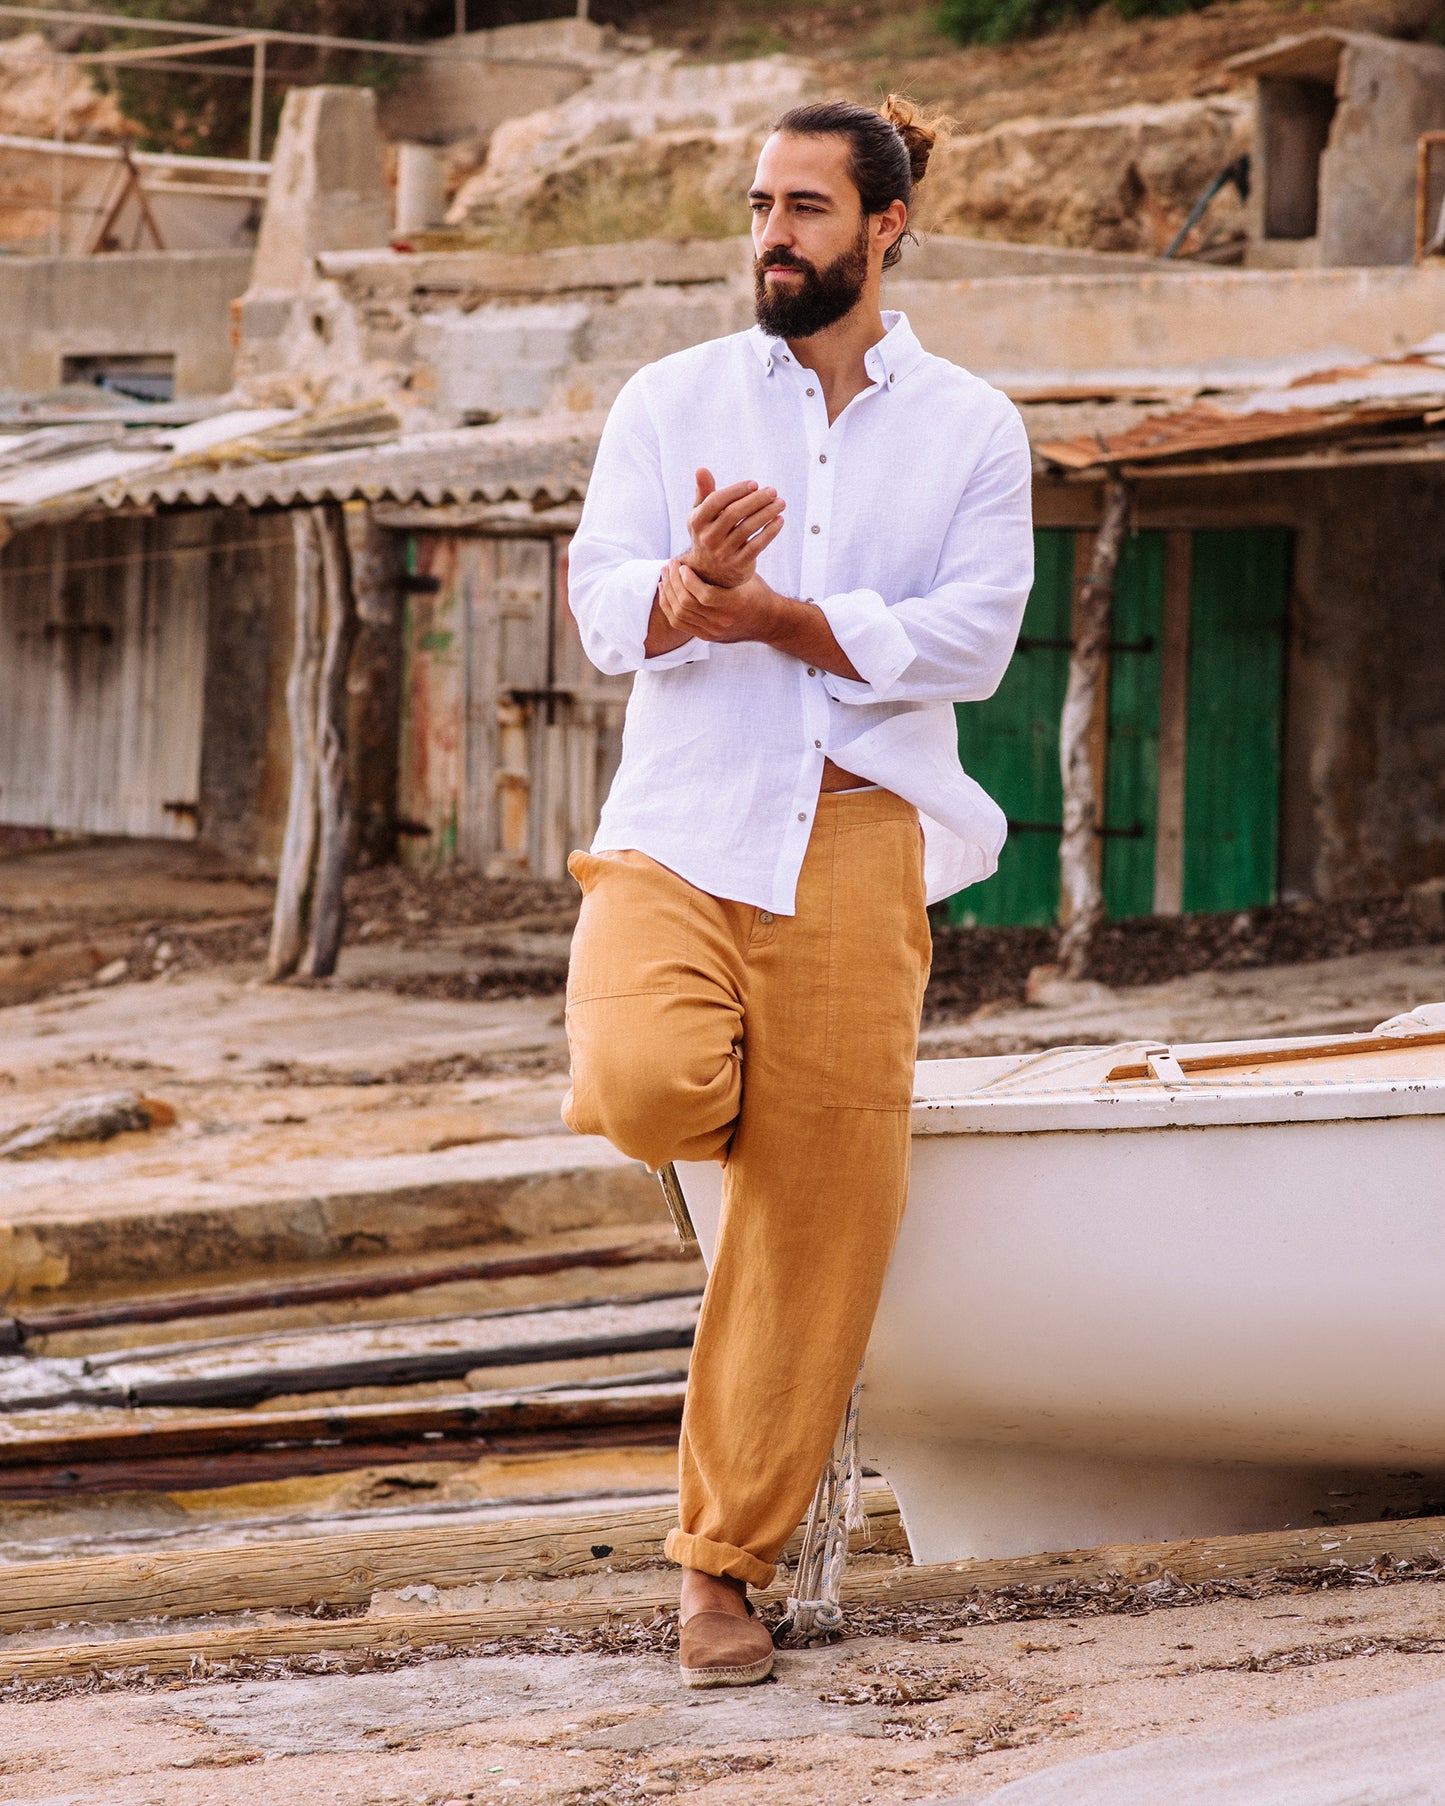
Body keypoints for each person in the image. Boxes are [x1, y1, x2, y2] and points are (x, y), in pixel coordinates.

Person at [562, 95, 1034, 1687]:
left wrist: (786, 614)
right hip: (682, 825)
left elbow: (972, 639)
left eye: (809, 208)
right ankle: (769, 1111)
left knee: (826, 1212)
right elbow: (601, 600)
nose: (773, 232)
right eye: (761, 204)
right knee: (645, 1083)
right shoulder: (668, 395)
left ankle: (719, 1569)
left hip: (859, 834)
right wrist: (701, 592)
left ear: (886, 226)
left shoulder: (970, 426)